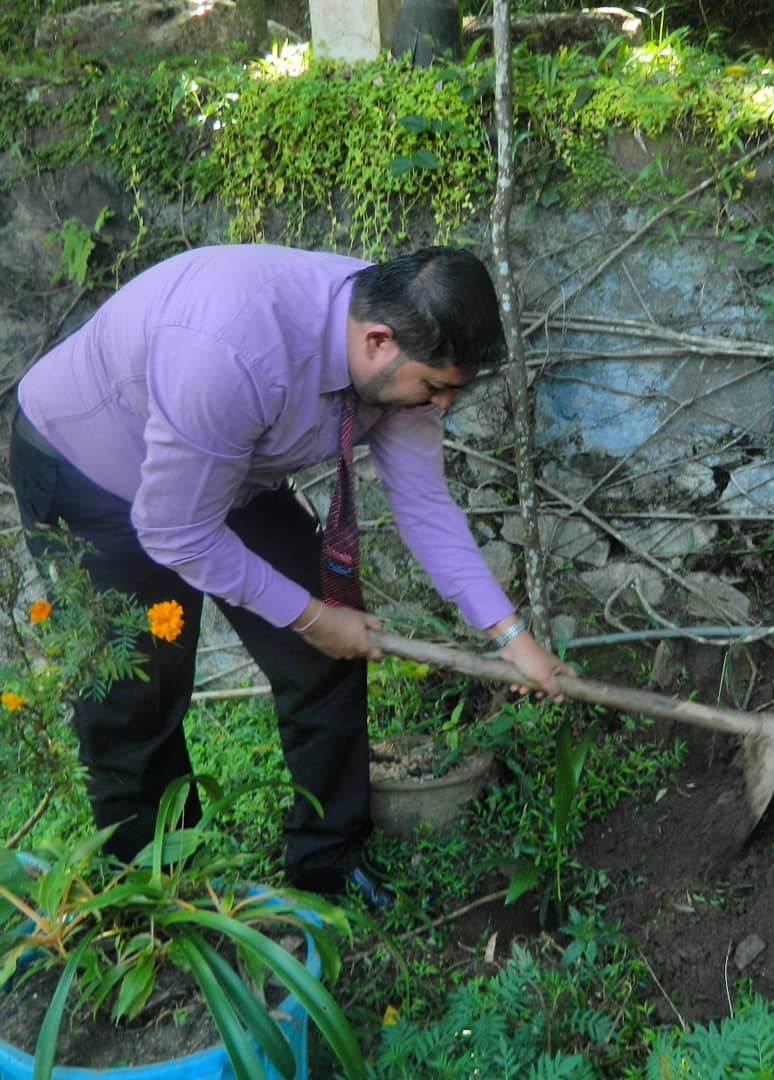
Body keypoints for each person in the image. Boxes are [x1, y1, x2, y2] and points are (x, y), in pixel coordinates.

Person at [8, 243, 571, 908]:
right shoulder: (234, 350)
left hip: (233, 470)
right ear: (377, 341)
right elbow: (176, 529)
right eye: (436, 386)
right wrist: (308, 614)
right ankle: (152, 896)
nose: (442, 405)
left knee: (330, 653)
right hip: (93, 472)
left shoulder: (400, 351)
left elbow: (422, 504)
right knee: (138, 693)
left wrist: (510, 634)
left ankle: (327, 862)